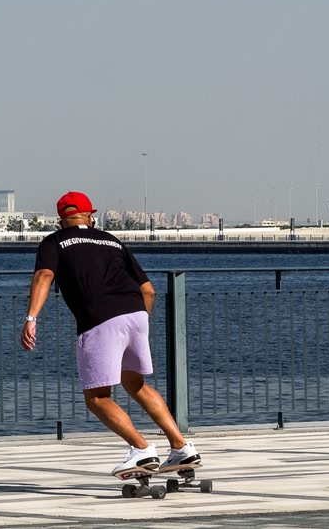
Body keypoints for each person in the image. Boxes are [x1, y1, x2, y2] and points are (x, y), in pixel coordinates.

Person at [19, 190, 201, 479]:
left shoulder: (54, 242)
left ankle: (141, 449)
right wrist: (138, 321)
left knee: (97, 397)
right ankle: (181, 446)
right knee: (136, 384)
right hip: (136, 313)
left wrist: (31, 318)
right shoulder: (111, 240)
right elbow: (148, 290)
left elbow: (43, 275)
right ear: (91, 216)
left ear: (60, 220)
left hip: (100, 319)